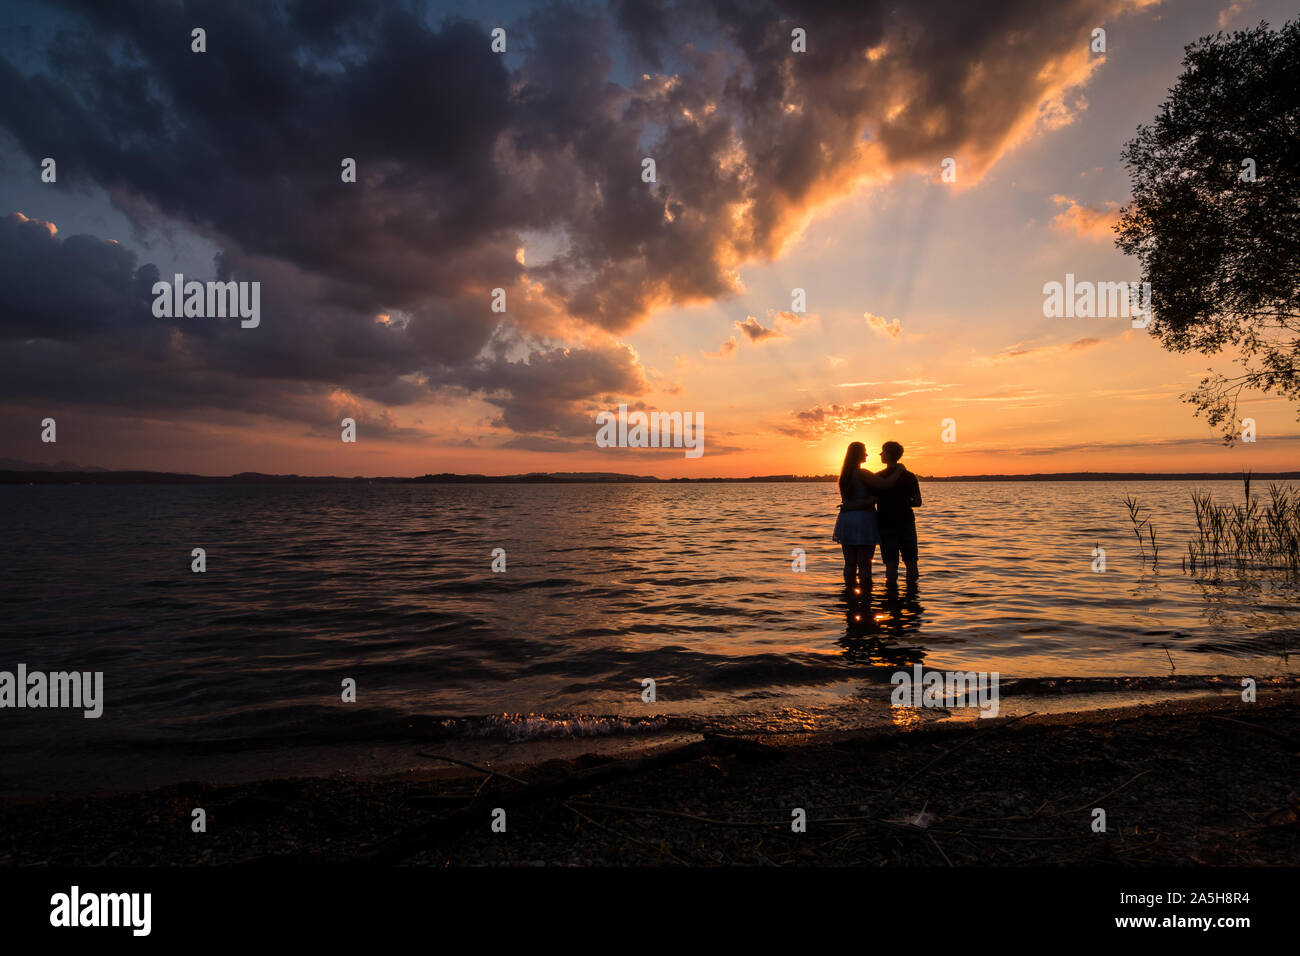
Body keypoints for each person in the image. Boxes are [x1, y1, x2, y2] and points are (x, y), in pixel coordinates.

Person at [832, 441, 905, 603]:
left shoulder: (844, 476)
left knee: (849, 563)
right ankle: (865, 598)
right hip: (863, 520)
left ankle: (849, 594)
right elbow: (886, 484)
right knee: (864, 564)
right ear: (858, 455)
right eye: (864, 452)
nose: (867, 455)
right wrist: (899, 470)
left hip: (846, 520)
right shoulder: (861, 473)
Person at [874, 441, 921, 587]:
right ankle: (912, 596)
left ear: (888, 454)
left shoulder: (878, 477)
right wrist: (904, 502)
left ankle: (891, 597)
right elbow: (918, 502)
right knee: (911, 562)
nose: (880, 454)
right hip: (906, 522)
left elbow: (873, 500)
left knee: (891, 564)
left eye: (882, 451)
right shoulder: (909, 476)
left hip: (886, 523)